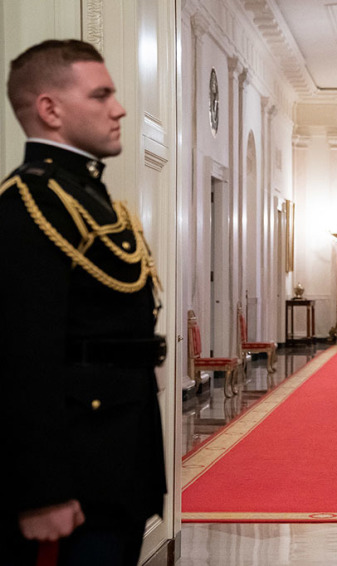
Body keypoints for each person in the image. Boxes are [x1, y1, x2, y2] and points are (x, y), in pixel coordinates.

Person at [0, 39, 167, 565]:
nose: (118, 108)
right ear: (50, 109)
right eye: (101, 95)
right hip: (72, 478)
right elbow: (20, 356)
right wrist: (40, 490)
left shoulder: (87, 198)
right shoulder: (28, 204)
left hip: (120, 463)